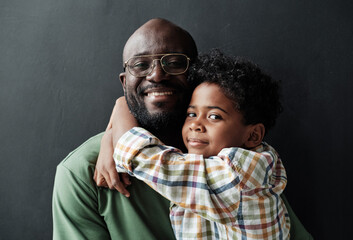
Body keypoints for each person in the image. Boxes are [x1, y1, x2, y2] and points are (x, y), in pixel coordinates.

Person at [52, 18, 313, 240]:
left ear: (196, 75)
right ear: (125, 82)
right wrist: (120, 116)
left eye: (175, 62)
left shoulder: (237, 159)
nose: (156, 75)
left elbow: (146, 158)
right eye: (141, 65)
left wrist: (121, 114)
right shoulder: (81, 172)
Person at [99, 50, 290, 239]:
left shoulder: (239, 176)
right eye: (191, 114)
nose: (196, 125)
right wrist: (109, 136)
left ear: (253, 135)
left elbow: (146, 159)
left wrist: (123, 105)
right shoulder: (259, 157)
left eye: (214, 116)